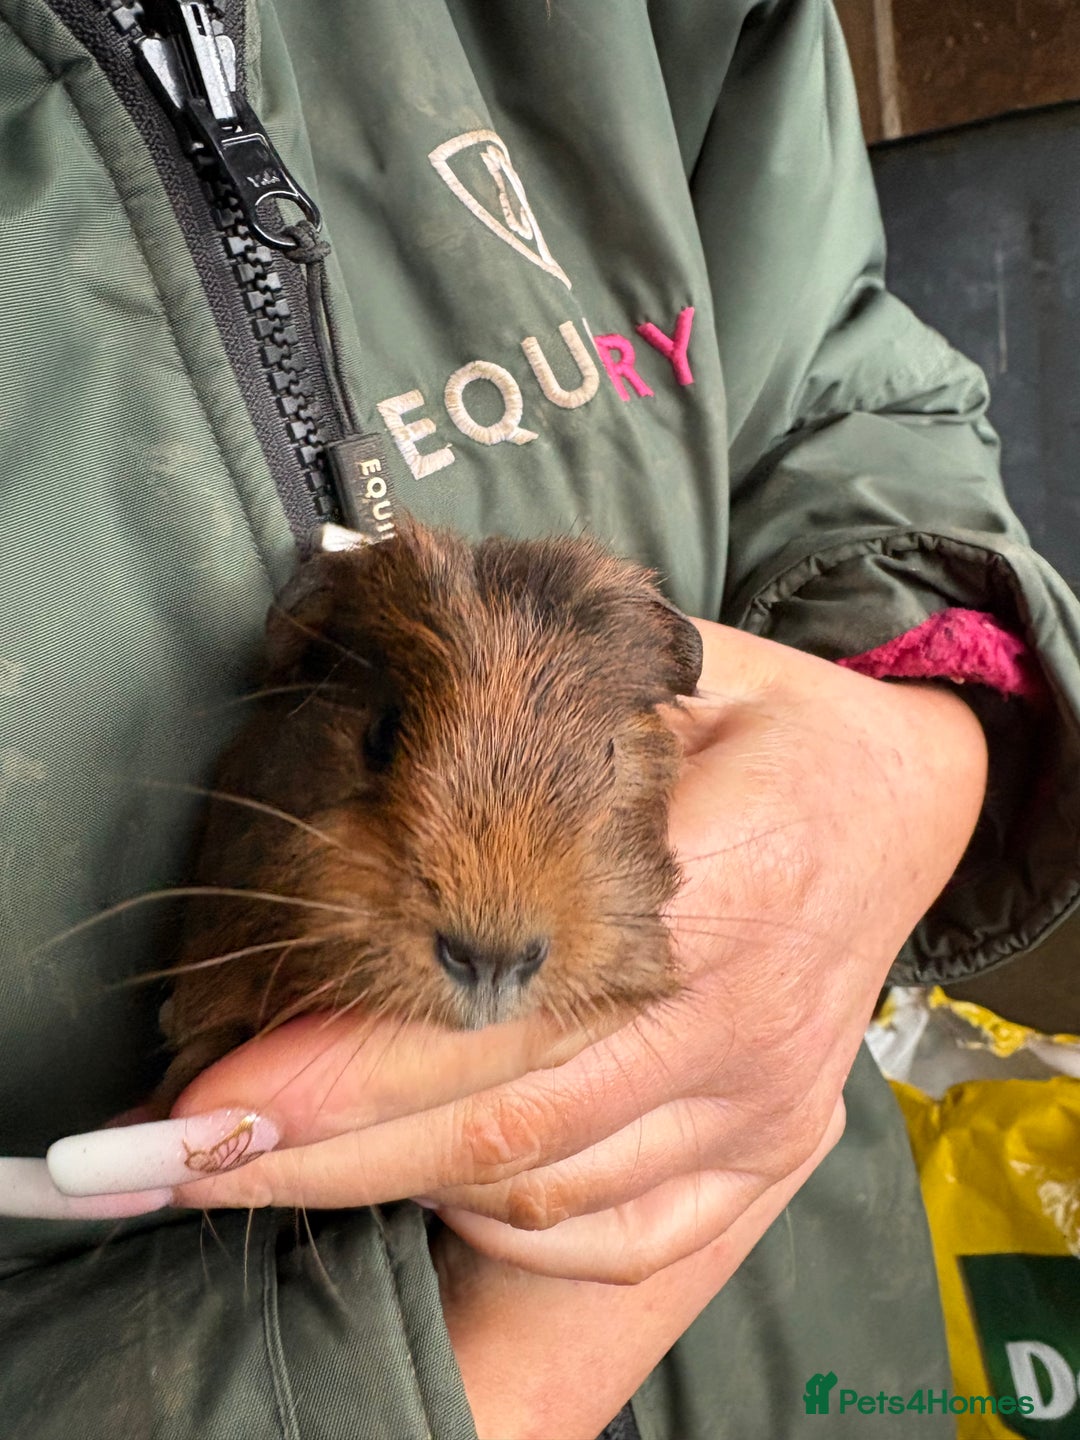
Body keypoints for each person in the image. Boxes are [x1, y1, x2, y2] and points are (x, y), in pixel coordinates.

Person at [0, 1, 1076, 1436]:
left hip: (811, 1344)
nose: (491, 918)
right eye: (385, 745)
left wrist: (911, 752)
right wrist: (447, 1386)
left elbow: (835, 392)